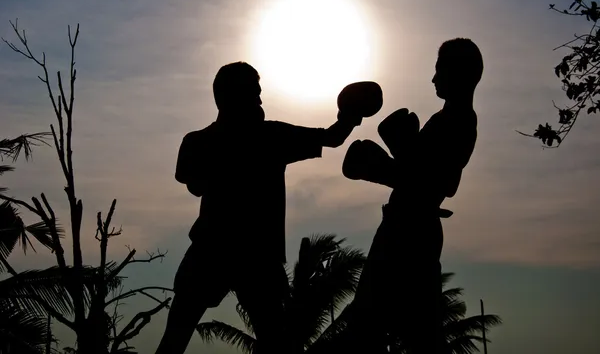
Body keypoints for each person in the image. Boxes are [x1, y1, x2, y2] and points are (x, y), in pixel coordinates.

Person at [155, 62, 365, 354]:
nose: (260, 100)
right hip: (243, 252)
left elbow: (194, 185)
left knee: (180, 335)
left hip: (225, 250)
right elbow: (333, 137)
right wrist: (352, 113)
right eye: (254, 93)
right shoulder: (268, 136)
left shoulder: (203, 140)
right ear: (230, 96)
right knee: (271, 340)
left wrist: (351, 113)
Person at [342, 38, 483, 353]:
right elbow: (418, 178)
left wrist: (385, 159)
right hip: (407, 226)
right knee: (410, 331)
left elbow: (439, 185)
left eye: (439, 71)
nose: (433, 79)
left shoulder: (458, 121)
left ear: (458, 73)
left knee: (375, 328)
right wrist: (383, 164)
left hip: (411, 229)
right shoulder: (449, 119)